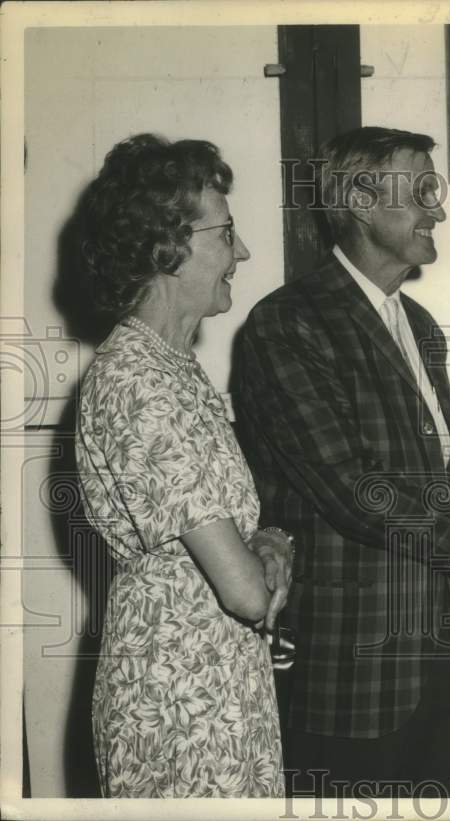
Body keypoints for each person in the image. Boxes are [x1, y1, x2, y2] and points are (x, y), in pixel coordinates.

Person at [235, 126, 450, 798]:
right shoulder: (288, 324)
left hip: (436, 673)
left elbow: (440, 487)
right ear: (359, 200)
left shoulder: (417, 325)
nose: (438, 210)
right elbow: (356, 490)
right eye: (419, 192)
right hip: (348, 687)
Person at [75, 134, 294, 798]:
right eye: (226, 233)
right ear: (166, 248)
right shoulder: (138, 379)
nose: (243, 251)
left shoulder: (174, 368)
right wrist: (273, 553)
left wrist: (273, 541)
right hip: (179, 707)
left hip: (216, 688)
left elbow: (232, 542)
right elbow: (247, 592)